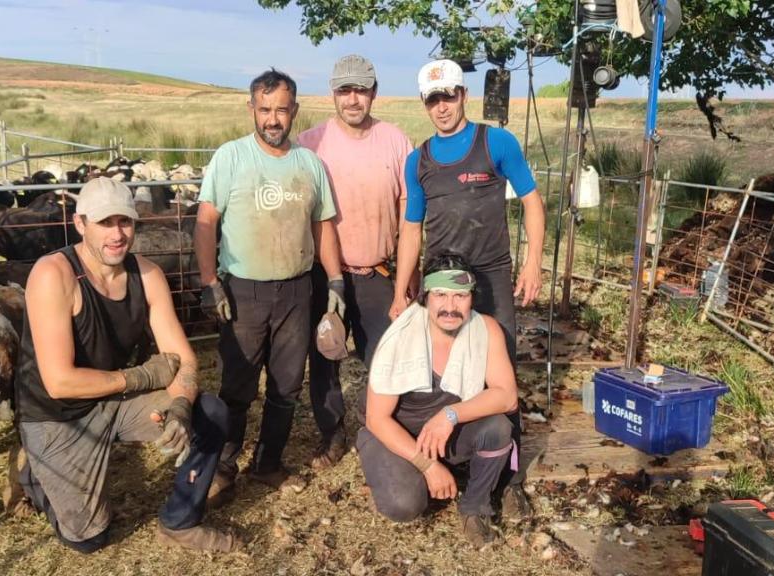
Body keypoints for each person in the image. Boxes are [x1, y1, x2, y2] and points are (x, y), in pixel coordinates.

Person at [14, 177, 236, 554]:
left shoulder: (146, 274)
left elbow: (181, 359)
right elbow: (59, 382)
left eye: (125, 222)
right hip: (59, 415)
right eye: (105, 223)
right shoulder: (54, 275)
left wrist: (181, 406)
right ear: (80, 224)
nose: (117, 234)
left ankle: (180, 522)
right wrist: (143, 376)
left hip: (116, 402)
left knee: (210, 413)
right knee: (88, 539)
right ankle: (33, 472)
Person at [389, 59, 546, 519]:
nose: (442, 107)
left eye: (449, 95)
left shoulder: (496, 142)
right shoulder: (418, 160)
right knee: (443, 371)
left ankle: (510, 479)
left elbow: (533, 204)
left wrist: (533, 263)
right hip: (443, 284)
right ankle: (454, 456)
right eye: (433, 99)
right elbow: (411, 229)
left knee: (502, 374)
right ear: (424, 103)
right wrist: (402, 290)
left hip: (492, 275)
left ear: (463, 94)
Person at [194, 69, 343, 500]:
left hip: (297, 290)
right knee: (238, 383)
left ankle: (268, 462)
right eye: (264, 110)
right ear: (251, 110)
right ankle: (222, 464)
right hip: (244, 291)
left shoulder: (309, 164)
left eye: (281, 109)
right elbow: (207, 222)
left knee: (287, 384)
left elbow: (323, 227)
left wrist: (334, 282)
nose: (273, 119)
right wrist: (210, 282)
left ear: (294, 110)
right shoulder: (231, 158)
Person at [296, 54, 414, 469]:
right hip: (322, 275)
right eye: (344, 90)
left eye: (360, 89)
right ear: (333, 93)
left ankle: (376, 425)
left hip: (376, 270)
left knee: (386, 357)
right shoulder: (309, 143)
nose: (352, 99)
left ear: (374, 93)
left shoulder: (396, 141)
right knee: (325, 355)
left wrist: (408, 272)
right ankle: (332, 433)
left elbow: (408, 209)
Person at [358, 254, 518, 547]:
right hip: (395, 433)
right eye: (441, 295)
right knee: (404, 504)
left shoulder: (485, 329)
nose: (450, 307)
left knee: (498, 428)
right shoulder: (400, 338)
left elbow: (507, 397)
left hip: (445, 430)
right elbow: (377, 419)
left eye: (460, 296)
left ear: (472, 298)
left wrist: (450, 415)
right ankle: (402, 474)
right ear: (425, 297)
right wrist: (427, 465)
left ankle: (474, 507)